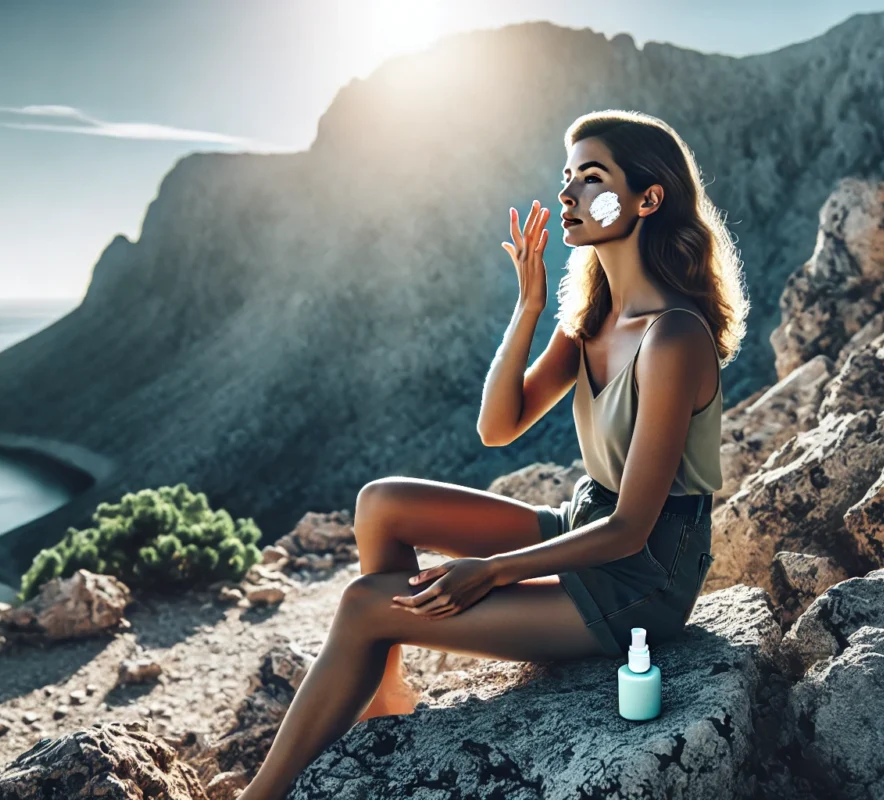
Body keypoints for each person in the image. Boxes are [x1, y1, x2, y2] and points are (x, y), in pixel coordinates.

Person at [237, 108, 749, 800]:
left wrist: (492, 572)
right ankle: (384, 690)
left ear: (647, 199)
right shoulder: (592, 321)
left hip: (645, 576)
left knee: (365, 604)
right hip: (588, 523)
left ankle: (258, 795)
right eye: (566, 177)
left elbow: (633, 527)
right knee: (381, 504)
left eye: (590, 179)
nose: (566, 195)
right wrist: (530, 305)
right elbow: (498, 426)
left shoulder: (673, 339)